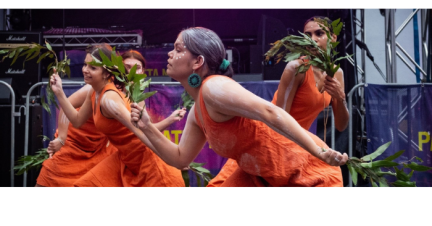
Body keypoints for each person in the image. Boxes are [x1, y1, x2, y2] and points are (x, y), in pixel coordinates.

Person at [130, 27, 348, 187]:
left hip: (308, 173)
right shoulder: (198, 110)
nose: (169, 54)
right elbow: (179, 158)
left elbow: (270, 111)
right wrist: (147, 127)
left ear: (197, 62)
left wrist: (320, 151)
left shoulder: (214, 88)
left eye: (178, 49)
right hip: (259, 176)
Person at [207, 16, 349, 186]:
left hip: (297, 147)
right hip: (271, 144)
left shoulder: (337, 73)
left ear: (333, 38)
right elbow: (278, 121)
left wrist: (340, 98)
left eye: (319, 33)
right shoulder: (296, 68)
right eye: (307, 35)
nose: (313, 40)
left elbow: (341, 125)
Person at [49, 45, 185, 187]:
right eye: (85, 65)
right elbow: (77, 121)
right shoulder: (94, 92)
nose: (85, 70)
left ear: (107, 73)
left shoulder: (109, 100)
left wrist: (173, 158)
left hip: (147, 160)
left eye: (93, 68)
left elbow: (143, 132)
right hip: (125, 157)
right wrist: (59, 92)